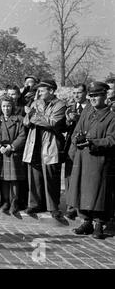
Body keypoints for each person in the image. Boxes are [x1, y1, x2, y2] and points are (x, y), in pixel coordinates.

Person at [67, 82, 115, 239]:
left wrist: (93, 142)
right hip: (82, 158)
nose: (94, 99)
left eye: (97, 96)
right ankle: (86, 221)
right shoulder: (87, 113)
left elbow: (112, 139)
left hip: (99, 160)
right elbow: (76, 132)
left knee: (99, 192)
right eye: (91, 96)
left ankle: (100, 224)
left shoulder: (111, 116)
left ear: (104, 96)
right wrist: (75, 143)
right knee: (82, 190)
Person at [22, 79, 66, 220]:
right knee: (34, 175)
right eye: (38, 91)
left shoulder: (60, 105)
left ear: (51, 91)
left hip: (50, 143)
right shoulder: (36, 103)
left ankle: (53, 207)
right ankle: (35, 204)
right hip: (34, 143)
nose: (39, 93)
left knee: (51, 176)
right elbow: (26, 122)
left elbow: (52, 122)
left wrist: (33, 115)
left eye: (42, 90)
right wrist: (31, 116)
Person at [0, 95, 27, 215]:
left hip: (13, 153)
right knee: (4, 179)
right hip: (2, 153)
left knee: (14, 179)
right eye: (3, 106)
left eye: (8, 106)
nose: (6, 108)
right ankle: (5, 201)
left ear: (12, 106)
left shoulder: (19, 119)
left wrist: (11, 146)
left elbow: (22, 135)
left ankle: (14, 201)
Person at [63, 83, 89, 220]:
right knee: (69, 177)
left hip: (85, 146)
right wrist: (67, 121)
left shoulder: (91, 108)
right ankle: (70, 206)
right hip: (71, 147)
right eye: (74, 93)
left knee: (82, 176)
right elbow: (62, 127)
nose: (76, 96)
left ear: (86, 93)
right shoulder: (71, 108)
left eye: (79, 93)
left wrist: (78, 119)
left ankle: (82, 208)